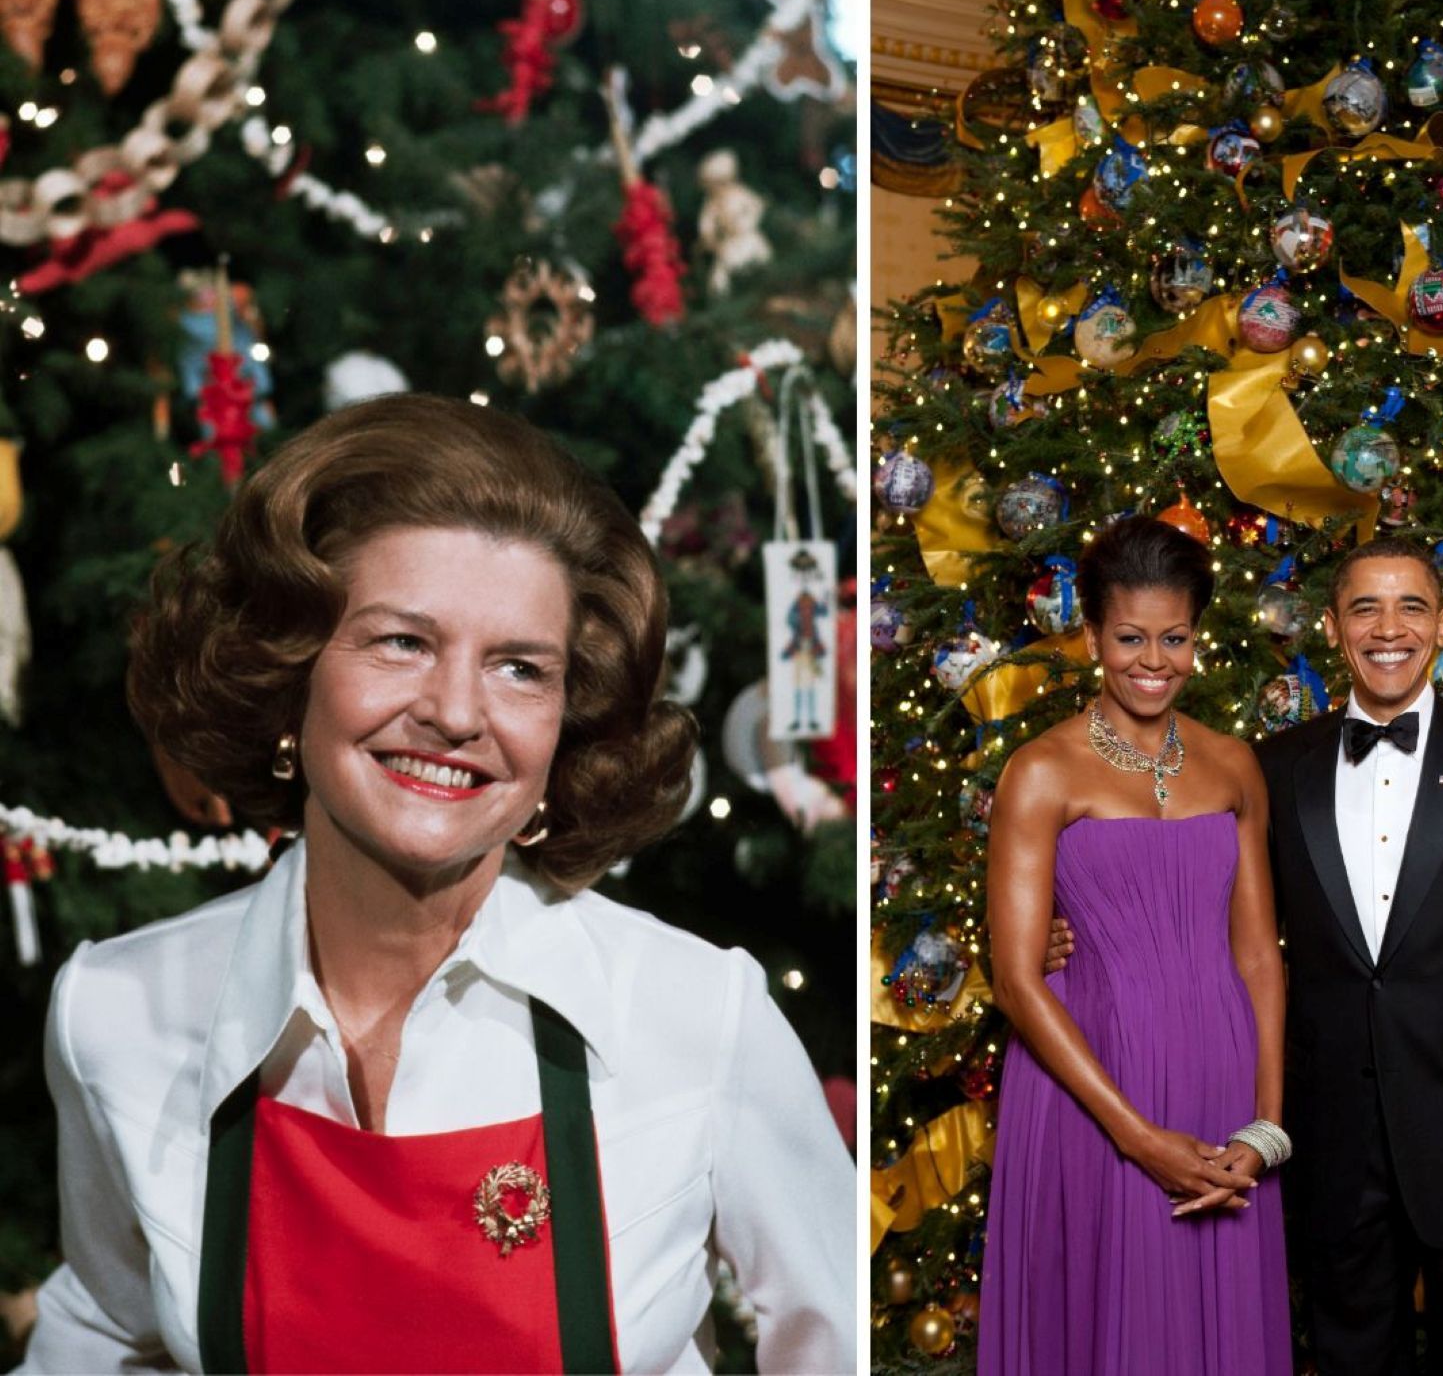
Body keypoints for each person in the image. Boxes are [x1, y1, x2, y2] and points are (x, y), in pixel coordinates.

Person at [22, 393, 856, 1373]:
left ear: (565, 720)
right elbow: (108, 1335)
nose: (457, 711)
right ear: (292, 670)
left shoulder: (696, 1014)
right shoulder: (115, 1011)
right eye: (401, 641)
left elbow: (838, 1340)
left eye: (519, 667)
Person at [1048, 535, 1443, 1372]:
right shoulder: (1272, 768)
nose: (1389, 627)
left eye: (1412, 605)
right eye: (1365, 607)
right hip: (1330, 1143)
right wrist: (1059, 938)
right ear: (1334, 626)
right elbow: (1210, 918)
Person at [978, 515, 1292, 1374]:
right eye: (1129, 637)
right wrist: (1135, 1134)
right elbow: (1015, 976)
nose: (1153, 660)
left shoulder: (1233, 765)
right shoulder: (1041, 770)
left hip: (1224, 1090)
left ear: (1197, 637)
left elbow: (1261, 955)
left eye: (1174, 637)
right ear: (1090, 637)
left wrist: (1266, 1126)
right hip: (1095, 1092)